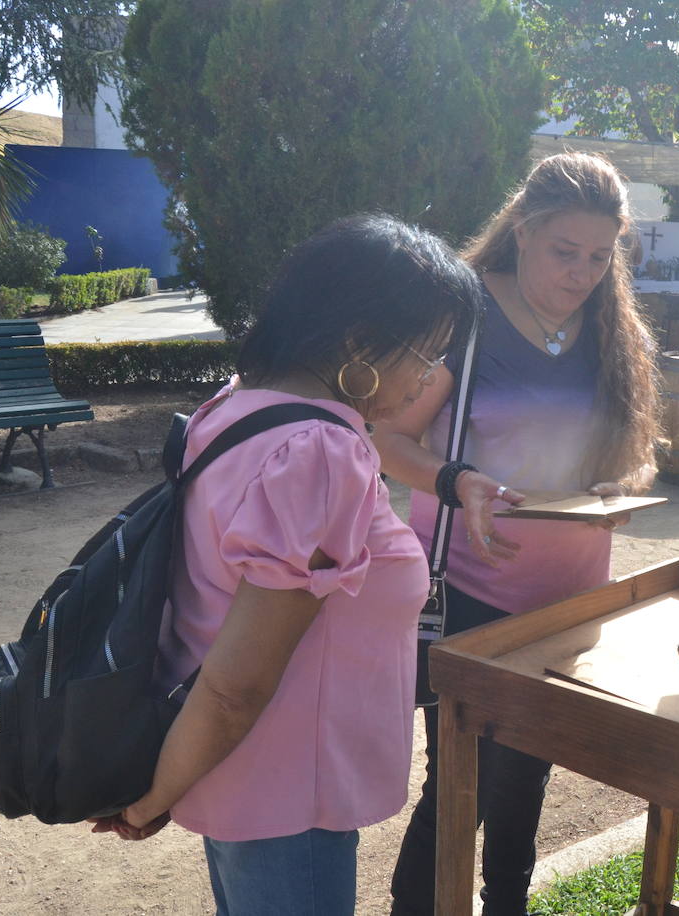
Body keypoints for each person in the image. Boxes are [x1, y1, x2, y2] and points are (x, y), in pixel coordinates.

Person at [87, 214, 489, 915]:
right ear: (361, 344)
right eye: (425, 358)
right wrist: (151, 799)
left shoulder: (236, 405)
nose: (426, 383)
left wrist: (170, 782)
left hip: (238, 778)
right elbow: (238, 685)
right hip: (290, 795)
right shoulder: (323, 453)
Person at [376, 152, 661, 916]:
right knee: (458, 787)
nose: (582, 274)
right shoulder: (463, 314)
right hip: (469, 593)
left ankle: (507, 905)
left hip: (568, 602)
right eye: (565, 252)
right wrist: (456, 479)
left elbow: (632, 455)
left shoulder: (610, 326)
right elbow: (383, 437)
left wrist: (620, 487)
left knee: (527, 777)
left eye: (600, 258)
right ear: (524, 231)